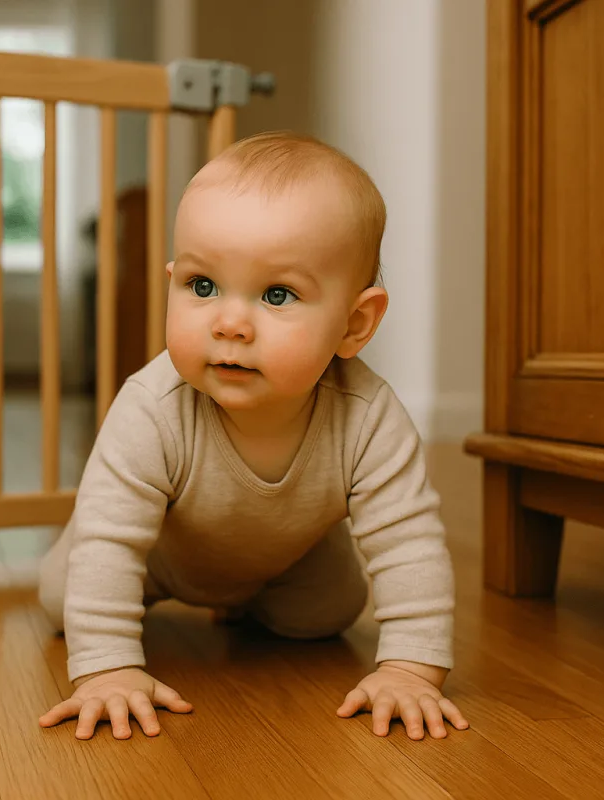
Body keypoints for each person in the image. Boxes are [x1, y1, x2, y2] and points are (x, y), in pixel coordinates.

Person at [36, 130, 468, 742]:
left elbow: (408, 544)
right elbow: (110, 545)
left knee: (329, 614)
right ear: (172, 283)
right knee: (65, 598)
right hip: (158, 552)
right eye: (202, 286)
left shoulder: (368, 418)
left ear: (355, 323)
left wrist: (410, 670)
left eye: (276, 294)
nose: (230, 324)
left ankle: (246, 599)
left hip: (285, 559)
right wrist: (107, 671)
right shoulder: (153, 407)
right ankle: (98, 582)